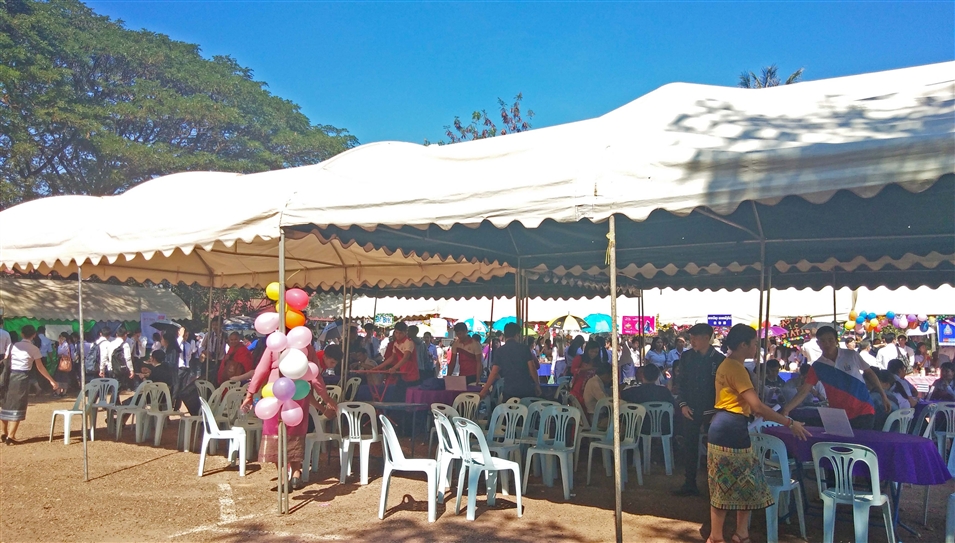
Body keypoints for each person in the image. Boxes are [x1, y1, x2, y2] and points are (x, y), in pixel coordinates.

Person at [705, 324, 810, 543]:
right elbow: (757, 406)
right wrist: (789, 422)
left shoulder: (729, 365)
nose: (756, 347)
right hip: (731, 428)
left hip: (725, 425)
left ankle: (732, 534)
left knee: (730, 483)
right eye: (754, 343)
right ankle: (723, 536)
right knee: (741, 482)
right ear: (743, 344)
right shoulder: (736, 368)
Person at [241, 339, 339, 490]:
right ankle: (295, 473)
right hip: (296, 392)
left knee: (275, 434)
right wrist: (326, 398)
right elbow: (315, 376)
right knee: (294, 432)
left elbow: (261, 370)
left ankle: (285, 475)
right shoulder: (305, 346)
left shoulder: (276, 344)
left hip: (275, 392)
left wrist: (250, 394)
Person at [782, 326, 890, 430]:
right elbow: (804, 391)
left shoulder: (851, 355)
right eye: (823, 341)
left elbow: (870, 373)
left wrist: (883, 396)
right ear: (818, 343)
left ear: (836, 340)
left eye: (830, 340)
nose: (827, 344)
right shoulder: (817, 366)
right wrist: (786, 409)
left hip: (864, 409)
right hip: (838, 415)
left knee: (862, 441)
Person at [673, 323, 725, 496]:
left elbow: (723, 388)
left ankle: (716, 487)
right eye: (691, 338)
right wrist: (683, 404)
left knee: (715, 449)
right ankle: (689, 483)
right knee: (690, 447)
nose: (692, 341)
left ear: (706, 338)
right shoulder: (687, 356)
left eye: (695, 338)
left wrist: (718, 411)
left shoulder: (719, 359)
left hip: (712, 411)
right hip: (690, 409)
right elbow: (680, 382)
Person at [0, 325, 62, 444]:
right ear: (34, 335)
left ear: (22, 334)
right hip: (22, 377)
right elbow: (40, 367)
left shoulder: (12, 346)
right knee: (18, 406)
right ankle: (11, 436)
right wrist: (52, 380)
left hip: (8, 377)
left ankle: (4, 433)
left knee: (5, 404)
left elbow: (5, 361)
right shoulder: (34, 349)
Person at [479, 322, 541, 402]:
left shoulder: (500, 351)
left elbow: (494, 372)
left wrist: (484, 390)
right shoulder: (525, 349)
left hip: (509, 389)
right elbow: (532, 368)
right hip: (525, 387)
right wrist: (537, 385)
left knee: (509, 409)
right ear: (517, 335)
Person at [375, 321, 420, 393]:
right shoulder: (395, 343)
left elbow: (405, 358)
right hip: (402, 373)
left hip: (411, 374)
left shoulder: (409, 342)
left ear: (405, 332)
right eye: (396, 333)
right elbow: (392, 358)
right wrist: (378, 367)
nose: (398, 335)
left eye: (400, 333)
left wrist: (394, 368)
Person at [569, 339, 602, 407]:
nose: (593, 354)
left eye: (596, 352)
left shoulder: (597, 362)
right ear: (587, 350)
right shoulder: (579, 358)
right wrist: (585, 369)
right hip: (578, 388)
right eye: (591, 351)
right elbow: (573, 370)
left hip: (591, 389)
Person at [104, 326, 135, 390]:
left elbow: (105, 357)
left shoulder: (110, 344)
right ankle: (115, 396)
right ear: (125, 335)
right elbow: (128, 359)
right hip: (120, 369)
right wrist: (131, 370)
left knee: (113, 387)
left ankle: (115, 396)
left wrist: (102, 368)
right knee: (119, 387)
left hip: (110, 369)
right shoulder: (125, 345)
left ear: (116, 335)